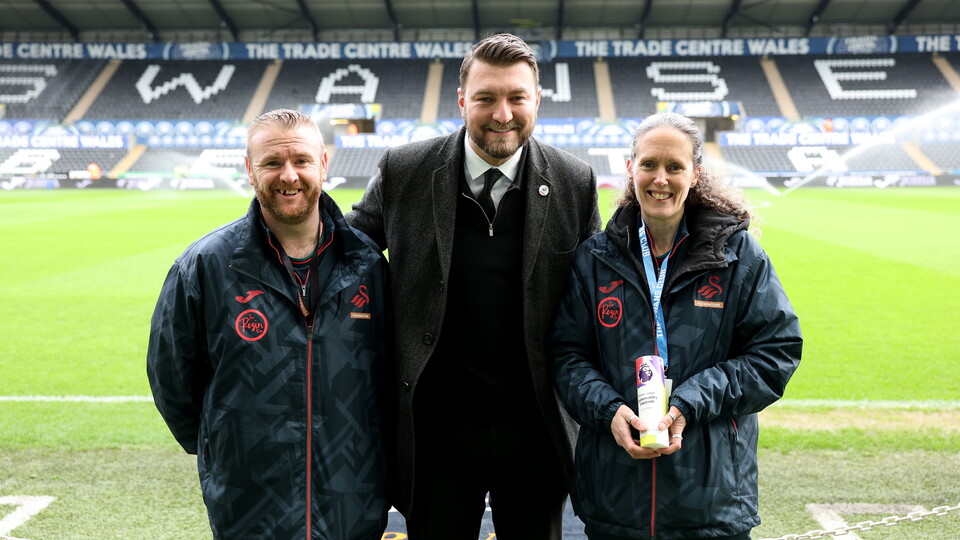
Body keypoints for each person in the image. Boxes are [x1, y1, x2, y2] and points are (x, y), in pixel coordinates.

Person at [347, 33, 601, 539]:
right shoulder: (405, 170)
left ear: (537, 101)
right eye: (486, 98)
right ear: (462, 100)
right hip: (435, 428)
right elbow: (347, 250)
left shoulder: (575, 180)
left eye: (516, 98)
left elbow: (601, 287)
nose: (502, 114)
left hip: (535, 428)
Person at [548, 112, 802, 539]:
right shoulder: (594, 259)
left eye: (674, 167)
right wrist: (610, 411)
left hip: (711, 501)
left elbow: (776, 352)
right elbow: (567, 356)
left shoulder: (738, 256)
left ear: (696, 174)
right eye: (648, 164)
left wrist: (689, 403)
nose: (660, 178)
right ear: (630, 168)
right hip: (614, 498)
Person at [147, 109, 391, 539]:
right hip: (250, 510)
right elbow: (172, 383)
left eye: (301, 160)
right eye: (272, 163)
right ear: (249, 169)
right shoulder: (204, 267)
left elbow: (392, 379)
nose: (289, 175)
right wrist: (223, 451)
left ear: (323, 164)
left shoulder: (369, 265)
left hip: (353, 505)